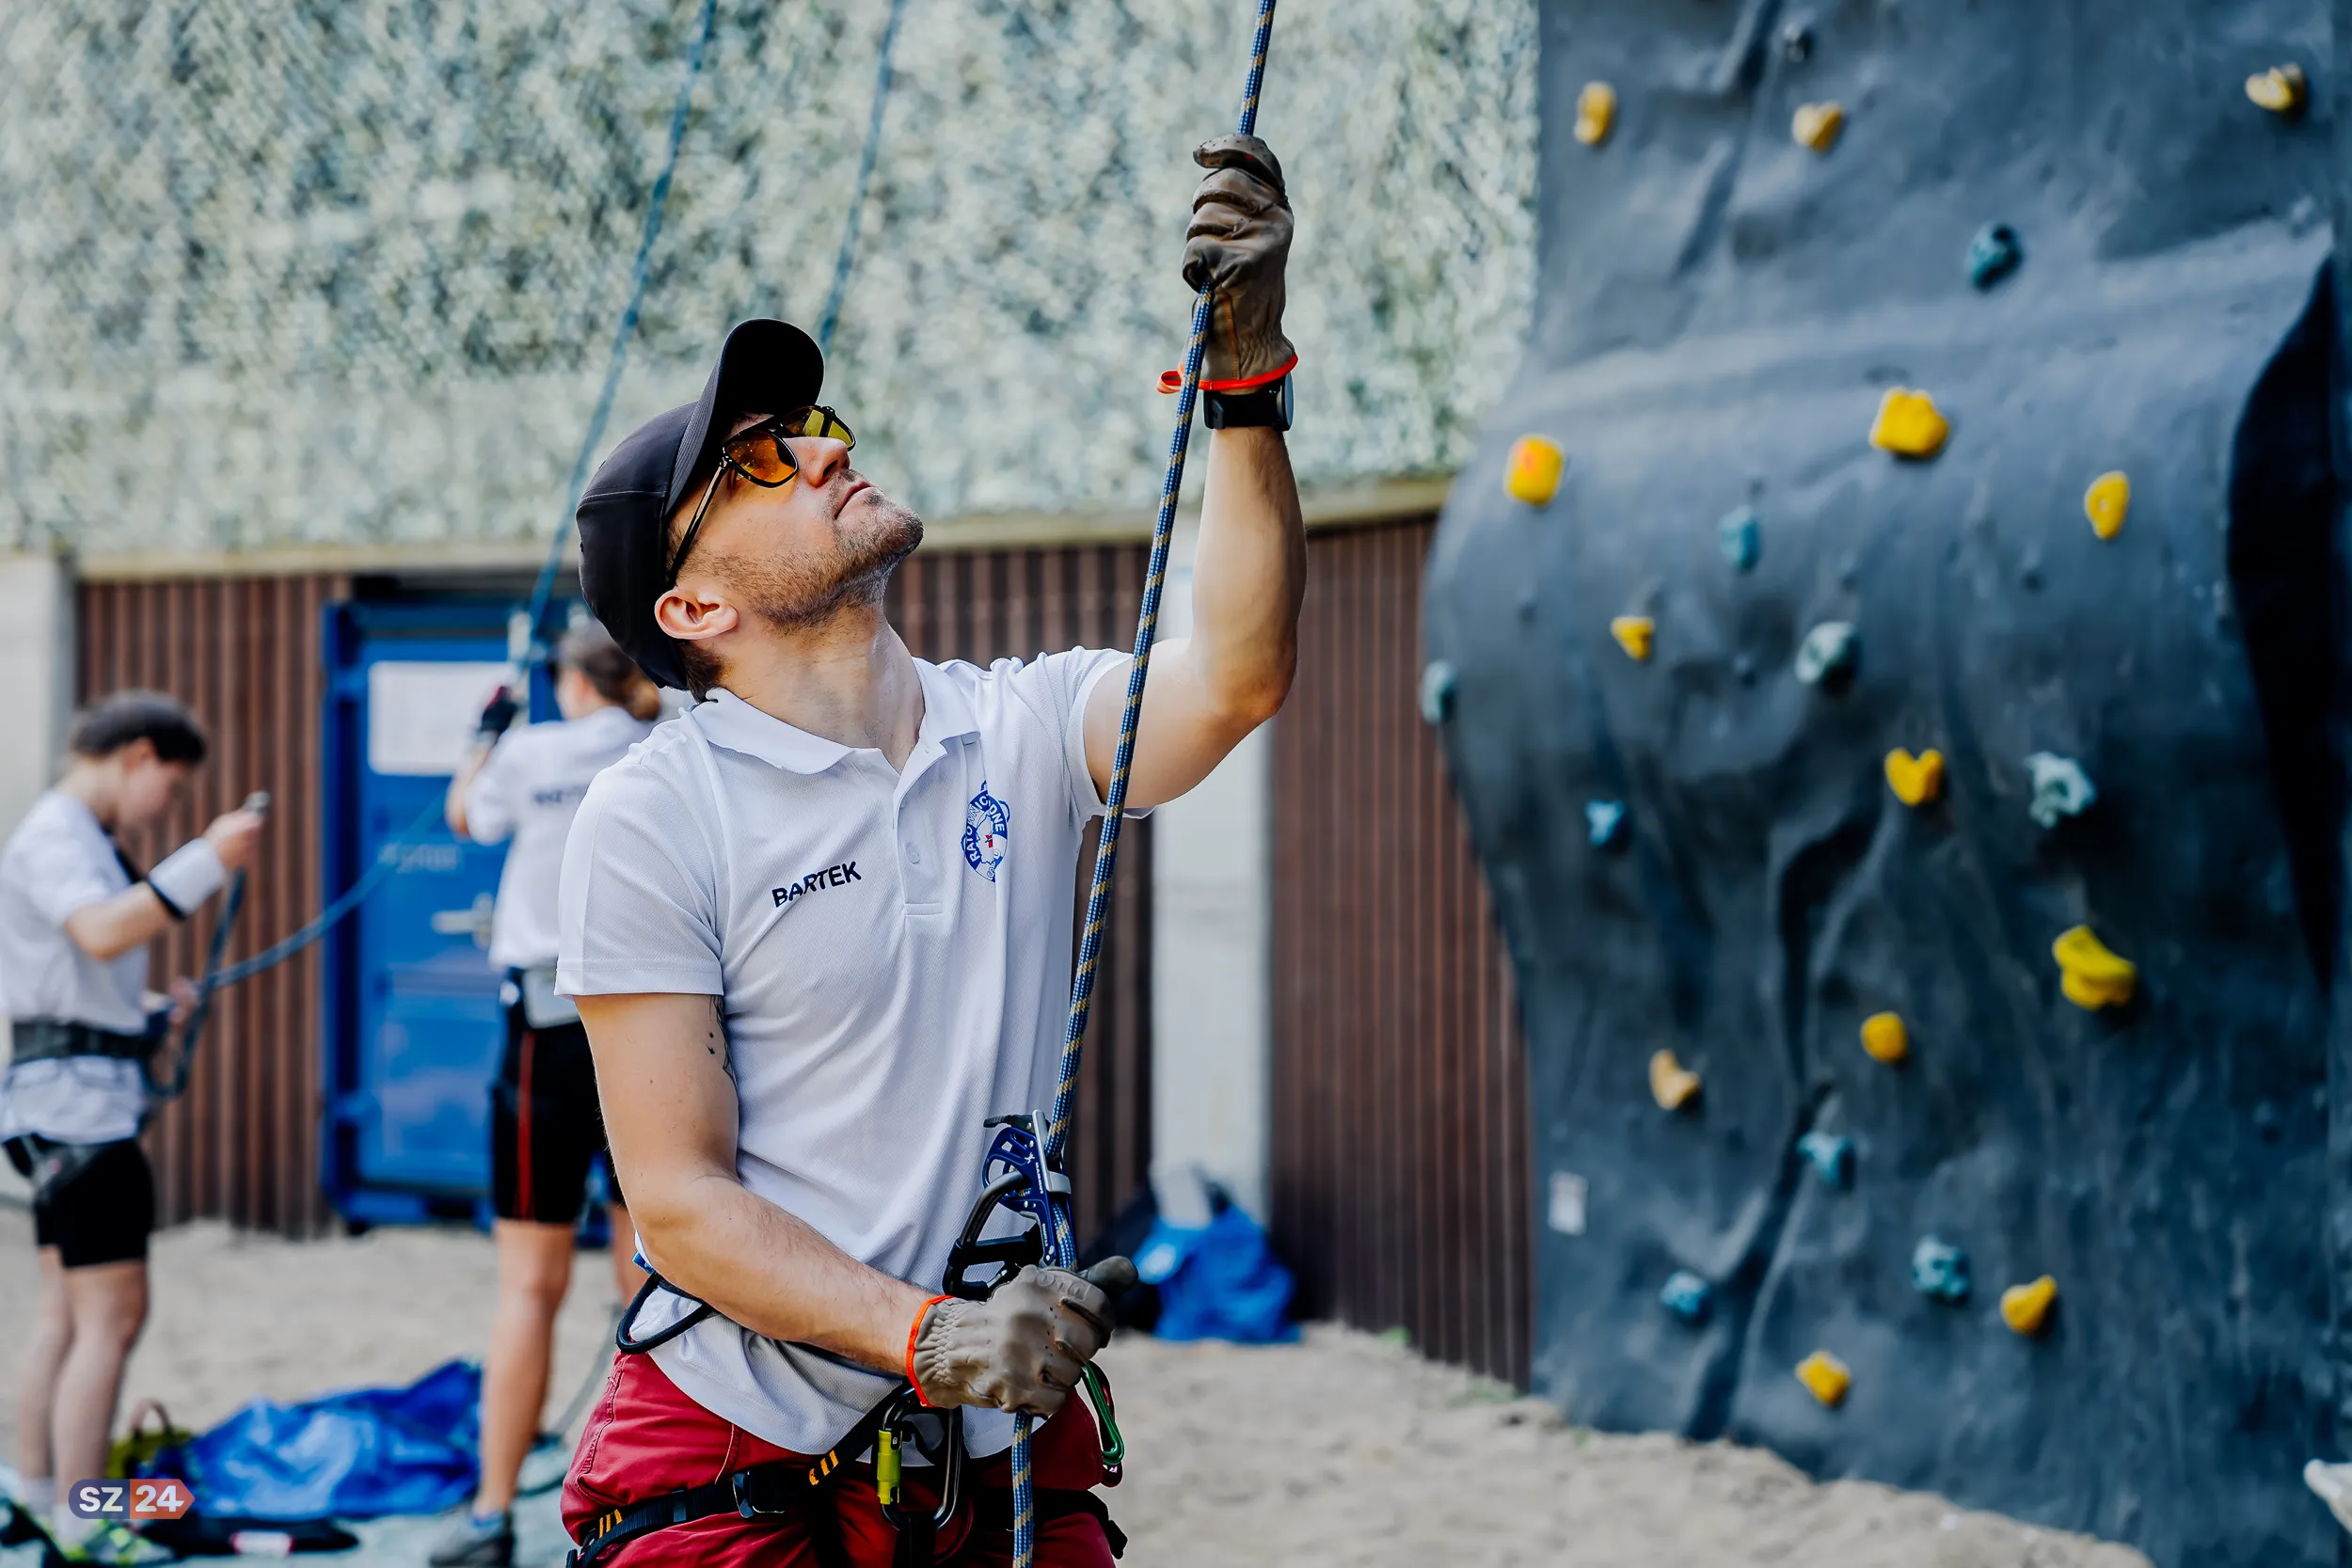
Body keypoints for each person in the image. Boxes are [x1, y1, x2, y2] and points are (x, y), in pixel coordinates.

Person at [550, 132, 1301, 1565]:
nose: (826, 447)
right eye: (760, 461)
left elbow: (1237, 675)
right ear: (694, 607)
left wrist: (1250, 383)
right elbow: (681, 1200)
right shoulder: (658, 810)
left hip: (988, 1425)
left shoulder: (1013, 721)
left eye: (815, 422)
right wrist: (933, 1332)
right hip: (742, 1432)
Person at [0, 691, 263, 1566]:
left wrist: (146, 1013)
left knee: (69, 1316)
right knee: (111, 1317)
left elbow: (71, 972)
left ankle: (37, 1492)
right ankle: (83, 1517)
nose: (169, 811)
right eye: (174, 790)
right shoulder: (58, 835)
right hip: (80, 1119)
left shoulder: (72, 837)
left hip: (57, 1106)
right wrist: (207, 859)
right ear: (142, 756)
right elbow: (103, 930)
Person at [428, 626, 661, 1568]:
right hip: (649, 1031)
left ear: (569, 681)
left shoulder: (527, 752)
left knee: (530, 1283)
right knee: (647, 1278)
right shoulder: (665, 741)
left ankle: (491, 1517)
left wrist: (483, 733)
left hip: (547, 1037)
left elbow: (462, 816)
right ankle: (641, 1493)